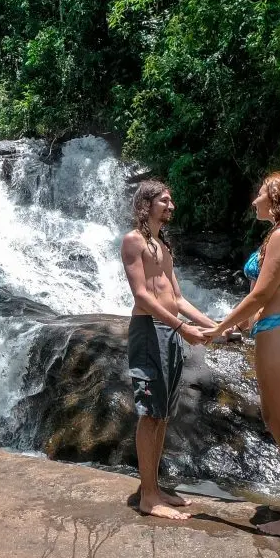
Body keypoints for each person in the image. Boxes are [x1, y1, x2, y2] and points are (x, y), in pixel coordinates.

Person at [199, 171, 280, 536]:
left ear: (278, 199)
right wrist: (245, 324)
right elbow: (265, 296)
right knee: (275, 420)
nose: (255, 200)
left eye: (261, 194)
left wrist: (219, 328)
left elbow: (260, 294)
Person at [121, 180, 216, 520]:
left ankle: (155, 486)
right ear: (146, 204)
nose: (171, 205)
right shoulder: (134, 241)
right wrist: (181, 327)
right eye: (164, 200)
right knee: (150, 413)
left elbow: (177, 299)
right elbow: (142, 296)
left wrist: (215, 326)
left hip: (170, 333)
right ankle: (147, 496)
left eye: (171, 200)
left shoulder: (162, 245)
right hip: (149, 332)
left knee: (162, 413)